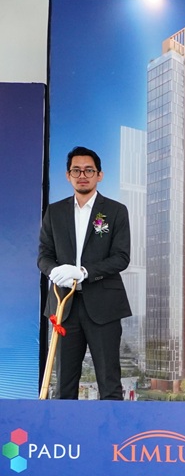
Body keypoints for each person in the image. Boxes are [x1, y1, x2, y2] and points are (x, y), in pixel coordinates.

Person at [38, 146, 132, 400]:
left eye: (89, 170)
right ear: (68, 175)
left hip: (104, 305)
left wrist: (84, 272)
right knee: (64, 383)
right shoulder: (54, 212)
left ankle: (112, 437)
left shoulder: (115, 211)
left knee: (109, 381)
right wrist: (55, 271)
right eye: (76, 170)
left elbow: (121, 258)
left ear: (99, 175)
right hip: (63, 307)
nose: (82, 175)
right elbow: (44, 255)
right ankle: (65, 436)